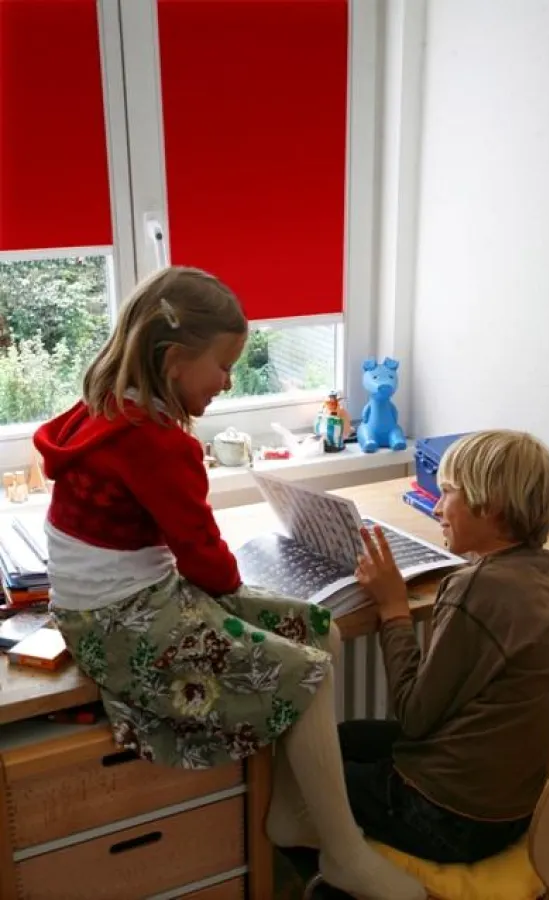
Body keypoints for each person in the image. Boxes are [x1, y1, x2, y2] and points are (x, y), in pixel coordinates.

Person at [34, 265, 424, 900]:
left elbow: (188, 554)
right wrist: (235, 585)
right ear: (175, 359)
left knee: (318, 631)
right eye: (222, 366)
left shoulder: (111, 410)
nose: (229, 381)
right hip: (116, 619)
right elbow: (208, 566)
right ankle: (346, 851)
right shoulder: (153, 442)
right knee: (310, 669)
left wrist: (231, 588)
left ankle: (296, 812)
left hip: (133, 595)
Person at [340, 430, 549, 865]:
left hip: (447, 819)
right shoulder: (544, 570)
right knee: (345, 738)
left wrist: (393, 608)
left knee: (319, 772)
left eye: (447, 493)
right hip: (511, 808)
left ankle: (350, 877)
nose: (435, 506)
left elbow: (413, 718)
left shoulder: (476, 590)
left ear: (493, 506)